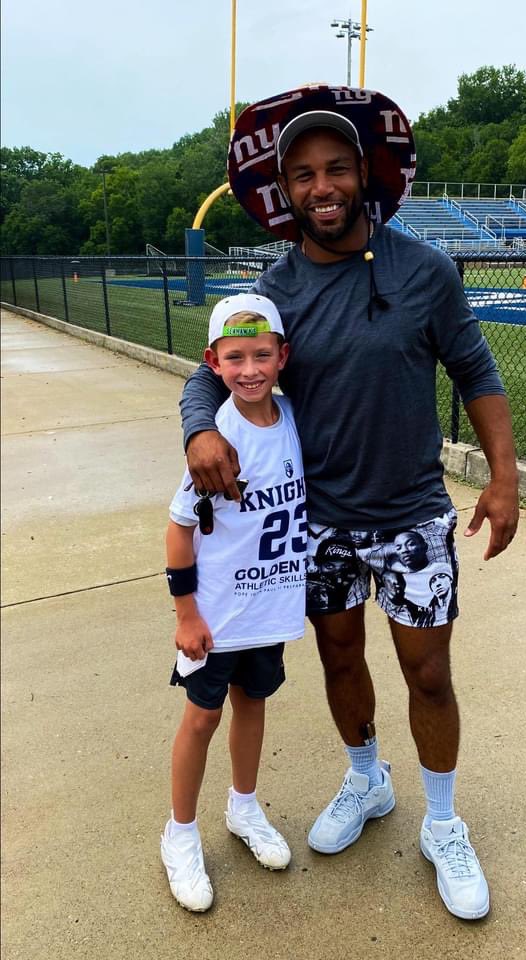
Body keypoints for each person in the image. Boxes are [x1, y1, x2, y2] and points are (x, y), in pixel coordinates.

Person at [180, 85, 519, 920]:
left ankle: (442, 822)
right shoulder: (277, 285)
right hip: (318, 520)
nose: (321, 187)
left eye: (336, 169)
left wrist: (506, 479)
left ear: (362, 174)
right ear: (285, 190)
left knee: (428, 672)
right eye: (303, 174)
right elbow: (210, 367)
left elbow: (475, 370)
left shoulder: (425, 271)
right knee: (338, 660)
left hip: (410, 515)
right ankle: (366, 777)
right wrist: (200, 433)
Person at [161, 293, 306, 912]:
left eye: (261, 355)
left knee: (253, 705)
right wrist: (187, 613)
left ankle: (244, 805)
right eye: (235, 357)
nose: (250, 369)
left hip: (268, 606)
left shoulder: (295, 416)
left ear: (283, 357)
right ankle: (181, 833)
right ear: (212, 362)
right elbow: (178, 527)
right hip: (217, 614)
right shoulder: (216, 436)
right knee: (203, 716)